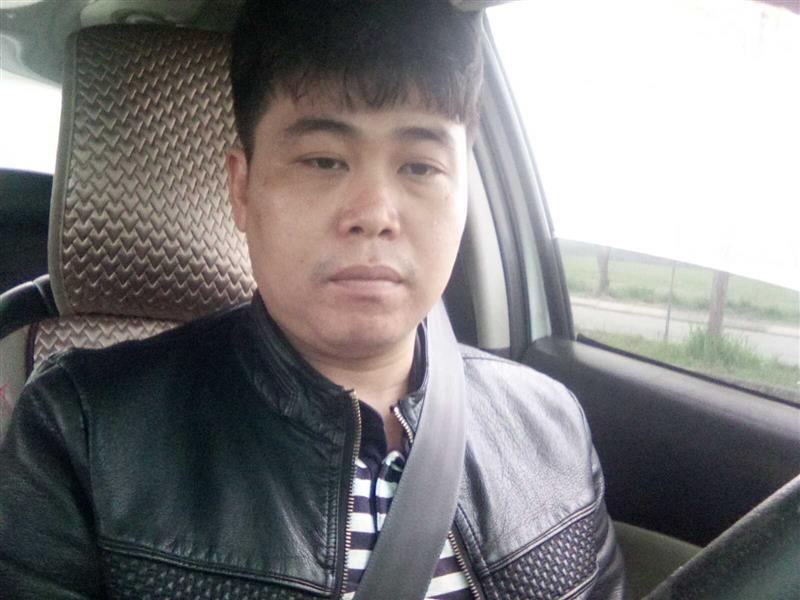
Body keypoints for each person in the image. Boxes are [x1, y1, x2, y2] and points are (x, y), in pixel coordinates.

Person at [0, 1, 626, 597]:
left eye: (420, 167)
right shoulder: (80, 433)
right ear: (242, 189)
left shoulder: (550, 427)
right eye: (324, 161)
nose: (374, 214)